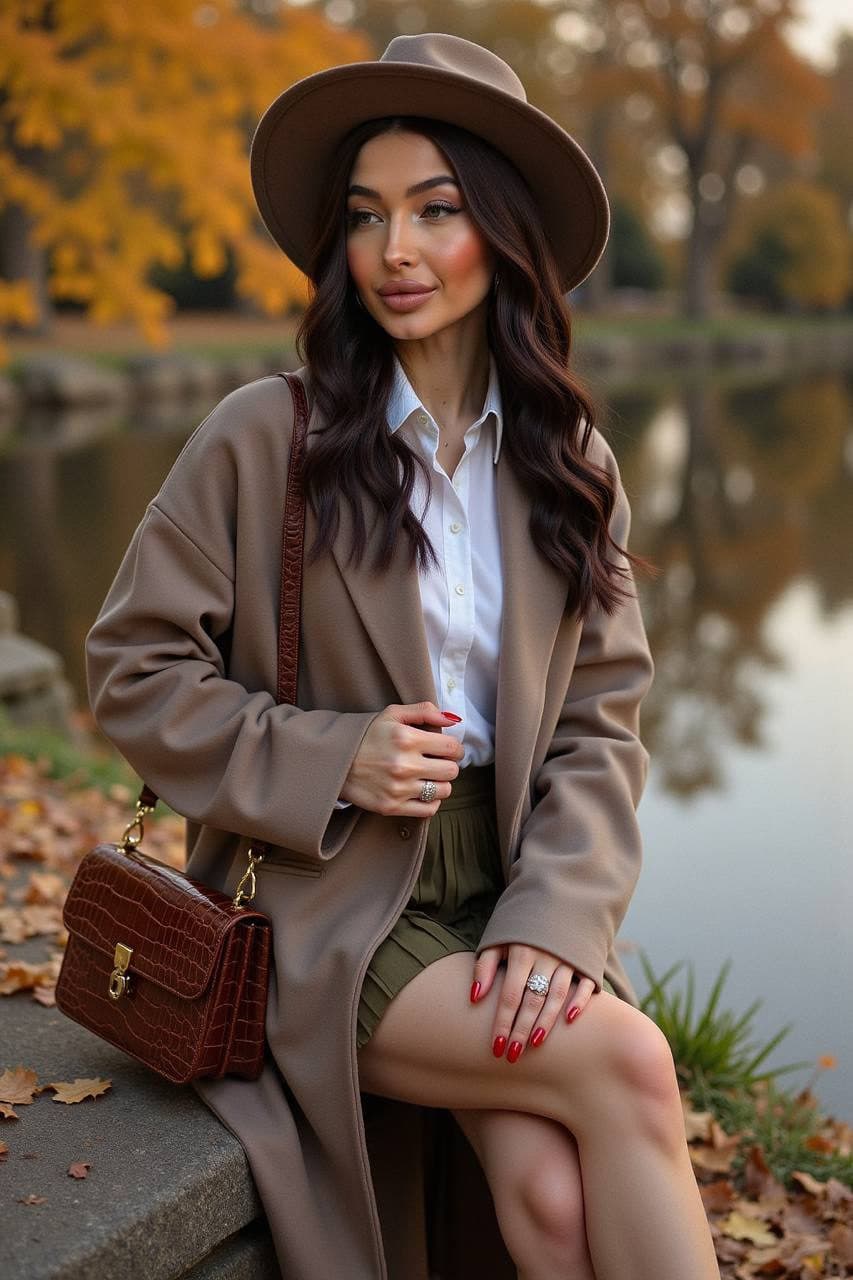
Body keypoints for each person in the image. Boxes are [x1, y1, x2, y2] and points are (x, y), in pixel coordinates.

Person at [84, 31, 721, 1280]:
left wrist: (558, 910)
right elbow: (132, 668)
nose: (395, 251)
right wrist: (333, 756)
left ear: (503, 230)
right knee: (630, 1061)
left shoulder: (569, 463)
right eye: (368, 216)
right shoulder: (265, 437)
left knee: (549, 1198)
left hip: (512, 878)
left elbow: (601, 720)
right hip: (329, 904)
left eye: (436, 210)